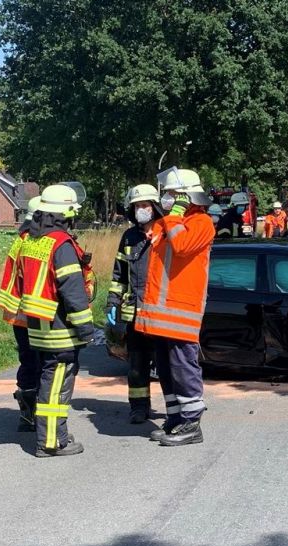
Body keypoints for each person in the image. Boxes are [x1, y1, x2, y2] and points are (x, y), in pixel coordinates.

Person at [135, 168, 215, 446]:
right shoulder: (167, 222)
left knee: (183, 366)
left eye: (170, 194)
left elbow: (181, 246)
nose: (165, 199)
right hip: (159, 313)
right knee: (167, 367)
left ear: (185, 197)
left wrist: (175, 215)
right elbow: (153, 242)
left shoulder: (202, 223)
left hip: (181, 312)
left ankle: (192, 424)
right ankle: (176, 418)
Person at [17, 184, 94, 458]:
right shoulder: (61, 243)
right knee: (56, 385)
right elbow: (71, 289)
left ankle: (54, 434)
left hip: (39, 326)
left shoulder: (33, 240)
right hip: (60, 328)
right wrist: (86, 327)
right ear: (65, 213)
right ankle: (51, 442)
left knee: (49, 379)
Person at [106, 184, 164, 424]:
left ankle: (175, 408)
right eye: (137, 206)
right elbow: (119, 274)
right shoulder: (129, 237)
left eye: (145, 205)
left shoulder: (166, 232)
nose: (141, 210)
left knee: (166, 363)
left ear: (155, 207)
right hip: (135, 313)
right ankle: (139, 407)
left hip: (161, 311)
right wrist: (112, 301)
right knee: (137, 364)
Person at [0, 195, 42, 432]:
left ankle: (27, 414)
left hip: (19, 316)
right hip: (37, 315)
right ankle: (42, 416)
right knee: (44, 363)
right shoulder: (36, 244)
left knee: (28, 361)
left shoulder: (19, 242)